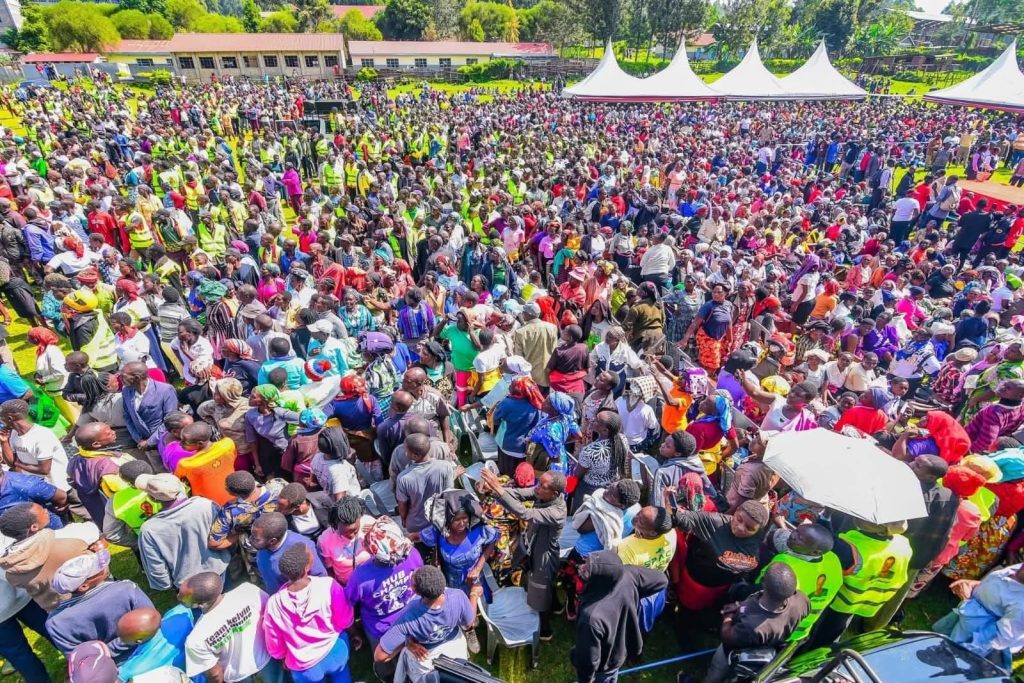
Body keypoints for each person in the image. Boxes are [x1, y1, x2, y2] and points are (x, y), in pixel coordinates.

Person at [478, 466, 566, 639]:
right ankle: (557, 606)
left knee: (539, 592)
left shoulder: (556, 512)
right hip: (534, 548)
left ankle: (544, 630)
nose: (537, 488)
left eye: (543, 486)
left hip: (544, 558)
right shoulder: (543, 493)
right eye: (539, 483)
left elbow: (524, 513)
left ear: (555, 494)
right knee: (545, 588)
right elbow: (519, 494)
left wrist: (498, 489)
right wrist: (498, 490)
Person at [571, 550, 669, 683]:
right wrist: (633, 601)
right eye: (585, 562)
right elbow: (662, 580)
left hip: (603, 667)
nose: (580, 568)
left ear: (600, 579)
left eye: (587, 569)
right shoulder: (627, 574)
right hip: (619, 653)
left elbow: (589, 662)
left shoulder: (591, 617)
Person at [373, 565, 483, 682]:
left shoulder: (408, 616)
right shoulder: (458, 596)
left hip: (425, 657)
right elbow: (469, 622)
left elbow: (379, 656)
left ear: (415, 590)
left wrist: (407, 643)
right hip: (454, 647)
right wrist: (474, 595)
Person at [262, 543, 355, 683]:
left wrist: (282, 656)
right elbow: (345, 620)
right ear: (306, 568)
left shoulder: (274, 604)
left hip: (304, 667)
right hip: (335, 651)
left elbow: (274, 642)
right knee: (342, 678)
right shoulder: (328, 585)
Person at [703, 563, 810, 683]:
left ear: (763, 581)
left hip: (737, 652)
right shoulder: (802, 601)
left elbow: (726, 636)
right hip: (774, 646)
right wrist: (739, 605)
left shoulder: (752, 626)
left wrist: (728, 616)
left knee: (717, 671)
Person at [45, 550, 154, 659]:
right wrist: (124, 641)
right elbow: (152, 620)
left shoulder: (55, 623)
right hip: (149, 650)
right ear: (83, 586)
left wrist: (105, 653)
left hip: (111, 667)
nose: (105, 567)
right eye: (99, 569)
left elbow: (79, 658)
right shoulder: (127, 589)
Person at [181, 572, 286, 683]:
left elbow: (215, 674)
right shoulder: (249, 590)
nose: (178, 597)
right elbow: (270, 616)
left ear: (199, 603)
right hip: (266, 657)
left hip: (237, 675)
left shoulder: (195, 639)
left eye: (182, 597)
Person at [136, 472, 230, 591]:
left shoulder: (149, 530)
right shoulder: (205, 505)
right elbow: (225, 535)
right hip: (221, 571)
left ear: (152, 498)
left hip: (188, 587)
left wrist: (165, 585)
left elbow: (156, 568)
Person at [345, 516, 424, 647]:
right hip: (412, 619)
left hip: (380, 631)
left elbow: (348, 601)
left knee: (384, 663)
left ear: (371, 549)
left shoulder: (360, 576)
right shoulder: (413, 555)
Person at [945, 563, 1024, 667]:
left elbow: (997, 638)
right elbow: (999, 585)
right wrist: (974, 584)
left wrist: (960, 653)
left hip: (975, 641)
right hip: (968, 623)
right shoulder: (1019, 569)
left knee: (948, 666)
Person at [251, 511, 328, 593]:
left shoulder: (303, 548)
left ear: (272, 541)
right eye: (252, 535)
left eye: (256, 539)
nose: (250, 539)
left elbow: (321, 579)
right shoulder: (263, 547)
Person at [116, 605, 196, 682]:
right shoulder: (180, 612)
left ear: (139, 641)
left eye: (122, 638)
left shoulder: (130, 669)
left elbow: (118, 679)